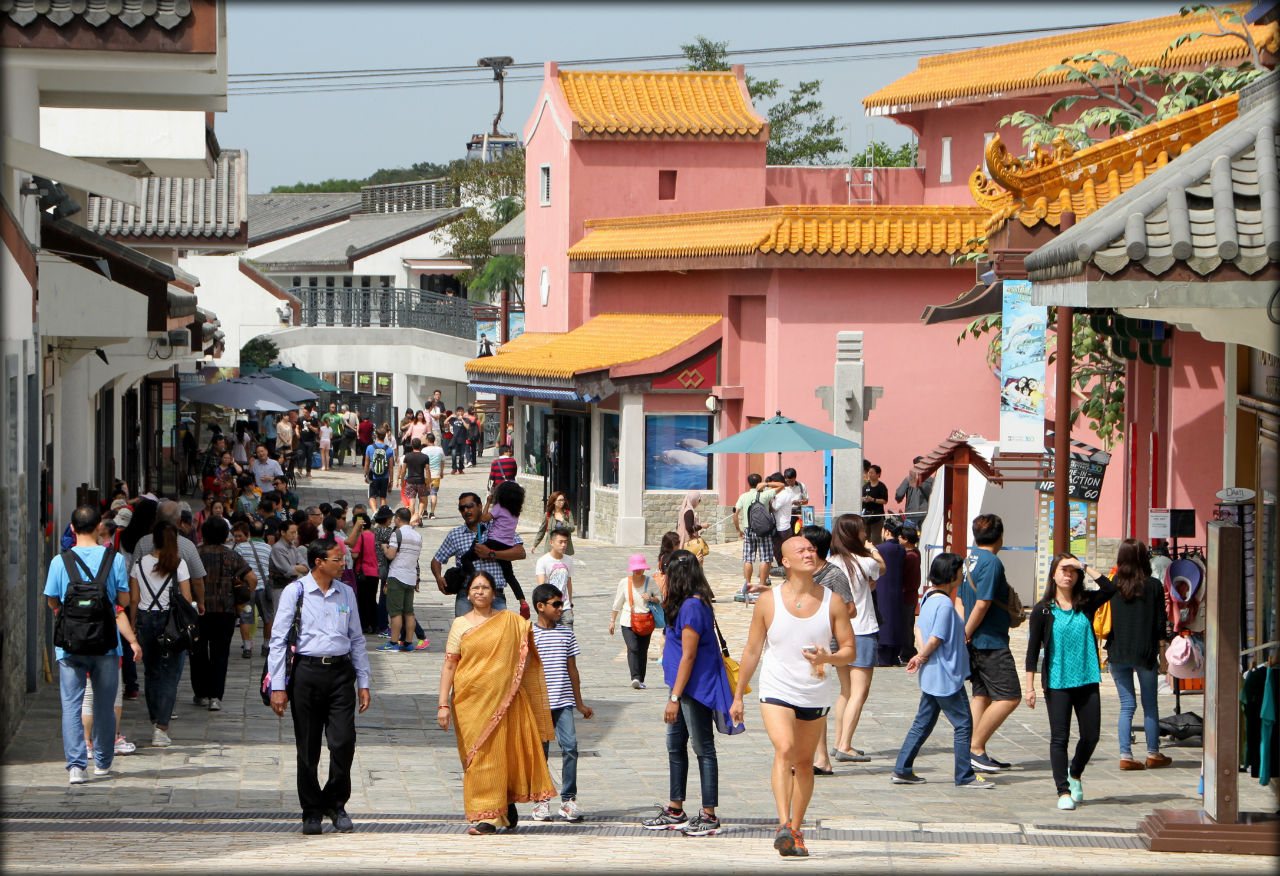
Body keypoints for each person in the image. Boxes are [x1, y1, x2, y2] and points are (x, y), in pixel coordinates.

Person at [731, 536, 856, 857]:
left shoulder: (833, 602)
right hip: (776, 689)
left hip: (814, 693)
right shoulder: (768, 601)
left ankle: (796, 831)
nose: (809, 553)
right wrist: (738, 696)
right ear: (785, 562)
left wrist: (826, 658)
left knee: (804, 762)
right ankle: (783, 823)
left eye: (811, 549)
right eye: (800, 550)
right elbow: (752, 649)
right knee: (784, 748)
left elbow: (848, 651)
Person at [437, 571, 556, 835]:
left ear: (494, 593)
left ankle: (491, 816)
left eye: (485, 587)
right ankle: (497, 807)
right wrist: (442, 703)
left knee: (501, 755)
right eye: (475, 587)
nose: (480, 591)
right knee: (477, 757)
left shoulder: (512, 623)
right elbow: (449, 664)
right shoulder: (460, 625)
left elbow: (526, 652)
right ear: (468, 594)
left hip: (505, 701)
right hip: (469, 704)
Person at [268, 538, 372, 835]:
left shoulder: (347, 593)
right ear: (319, 562)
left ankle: (336, 802)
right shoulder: (295, 592)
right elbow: (278, 640)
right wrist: (278, 686)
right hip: (306, 674)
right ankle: (311, 810)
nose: (344, 564)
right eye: (338, 559)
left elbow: (356, 639)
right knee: (308, 745)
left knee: (343, 741)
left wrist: (363, 681)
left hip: (341, 674)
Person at [639, 549, 736, 837]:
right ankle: (675, 809)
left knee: (703, 748)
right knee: (675, 746)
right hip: (683, 687)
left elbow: (689, 656)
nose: (664, 578)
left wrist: (674, 697)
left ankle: (709, 814)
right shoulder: (685, 605)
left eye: (667, 572)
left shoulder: (693, 607)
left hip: (694, 689)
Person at [45, 505, 141, 784]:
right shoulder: (113, 559)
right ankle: (102, 762)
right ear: (100, 526)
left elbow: (52, 600)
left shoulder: (59, 561)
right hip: (106, 645)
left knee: (72, 706)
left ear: (72, 529)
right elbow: (122, 603)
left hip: (70, 646)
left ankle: (76, 766)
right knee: (104, 704)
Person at [891, 553, 994, 789]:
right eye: (959, 570)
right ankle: (964, 775)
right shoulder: (945, 604)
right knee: (964, 724)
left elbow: (919, 628)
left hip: (932, 674)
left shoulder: (928, 597)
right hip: (946, 675)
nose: (962, 574)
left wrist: (920, 654)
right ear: (951, 574)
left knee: (923, 722)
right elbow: (936, 638)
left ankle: (902, 768)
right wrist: (923, 655)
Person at [1024, 554, 1117, 810]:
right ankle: (1062, 791)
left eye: (1073, 571)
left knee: (1091, 735)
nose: (1068, 575)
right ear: (1053, 574)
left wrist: (1084, 566)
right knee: (1059, 737)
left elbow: (1111, 588)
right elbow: (1032, 651)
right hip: (1057, 682)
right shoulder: (1043, 610)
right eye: (1063, 570)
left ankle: (1074, 773)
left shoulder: (1085, 603)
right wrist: (1029, 687)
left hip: (1087, 679)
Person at [959, 513, 1021, 773]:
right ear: (1000, 536)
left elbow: (962, 599)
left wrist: (964, 632)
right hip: (990, 640)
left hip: (975, 640)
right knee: (1010, 696)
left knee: (982, 695)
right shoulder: (993, 562)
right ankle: (975, 747)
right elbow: (983, 603)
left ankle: (971, 749)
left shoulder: (968, 559)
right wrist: (968, 632)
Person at [1104, 539, 1172, 771]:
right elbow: (1160, 623)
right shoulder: (1153, 586)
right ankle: (1153, 753)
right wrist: (1163, 652)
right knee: (1150, 705)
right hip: (1145, 651)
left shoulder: (1113, 584)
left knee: (1127, 705)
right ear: (1144, 558)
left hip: (1118, 650)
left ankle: (1125, 755)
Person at [530, 583, 593, 823]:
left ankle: (568, 800)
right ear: (540, 606)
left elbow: (572, 670)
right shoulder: (529, 634)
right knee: (540, 753)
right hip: (539, 704)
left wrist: (579, 703)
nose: (560, 608)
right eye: (556, 604)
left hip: (564, 701)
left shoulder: (566, 633)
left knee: (571, 747)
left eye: (561, 604)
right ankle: (541, 800)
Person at [130, 521, 195, 747]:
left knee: (151, 672)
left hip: (146, 620)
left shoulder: (139, 564)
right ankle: (161, 728)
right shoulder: (179, 564)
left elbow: (134, 599)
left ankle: (154, 717)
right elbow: (186, 598)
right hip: (171, 623)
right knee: (170, 675)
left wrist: (132, 626)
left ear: (153, 540)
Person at [799, 524, 857, 776]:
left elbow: (851, 609)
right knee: (809, 700)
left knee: (817, 700)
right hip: (802, 644)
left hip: (825, 648)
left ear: (815, 549)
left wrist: (828, 620)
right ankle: (818, 757)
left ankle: (821, 758)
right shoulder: (801, 572)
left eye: (803, 545)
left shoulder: (834, 575)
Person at [193, 517, 255, 711]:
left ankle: (201, 693)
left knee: (198, 653)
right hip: (225, 611)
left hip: (198, 610)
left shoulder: (196, 554)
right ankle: (215, 697)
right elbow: (252, 578)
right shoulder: (231, 555)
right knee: (220, 654)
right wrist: (242, 601)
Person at [432, 492, 525, 617]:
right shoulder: (455, 534)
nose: (466, 510)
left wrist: (491, 554)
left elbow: (520, 552)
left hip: (494, 595)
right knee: (465, 634)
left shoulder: (498, 527)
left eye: (470, 506)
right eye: (462, 508)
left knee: (497, 635)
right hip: (466, 596)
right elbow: (437, 560)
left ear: (480, 506)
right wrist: (439, 578)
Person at [609, 553, 663, 689]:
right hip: (628, 620)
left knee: (642, 650)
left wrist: (651, 598)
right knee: (633, 648)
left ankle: (640, 679)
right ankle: (635, 677)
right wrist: (612, 620)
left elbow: (660, 598)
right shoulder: (624, 583)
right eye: (636, 568)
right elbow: (618, 603)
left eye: (641, 568)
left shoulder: (650, 582)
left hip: (645, 620)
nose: (638, 571)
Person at [378, 507, 427, 653]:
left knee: (395, 612)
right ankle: (408, 643)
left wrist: (384, 547)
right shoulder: (417, 536)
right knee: (409, 612)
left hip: (397, 575)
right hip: (410, 577)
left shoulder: (397, 534)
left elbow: (391, 555)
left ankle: (393, 643)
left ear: (398, 518)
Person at [480, 480, 527, 615]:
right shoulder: (515, 512)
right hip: (507, 545)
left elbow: (484, 518)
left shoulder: (499, 508)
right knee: (510, 575)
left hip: (493, 542)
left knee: (472, 553)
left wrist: (488, 501)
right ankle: (522, 601)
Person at [233, 519, 274, 657]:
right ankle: (266, 645)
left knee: (245, 618)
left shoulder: (240, 548)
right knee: (268, 618)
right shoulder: (269, 548)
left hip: (246, 589)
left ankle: (247, 647)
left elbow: (236, 568)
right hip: (264, 588)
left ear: (249, 533)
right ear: (263, 533)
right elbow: (272, 568)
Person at [733, 473, 776, 600]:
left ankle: (748, 584)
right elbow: (781, 486)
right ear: (760, 482)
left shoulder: (744, 496)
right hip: (763, 530)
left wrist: (738, 530)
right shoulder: (765, 495)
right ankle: (762, 585)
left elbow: (735, 514)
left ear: (748, 483)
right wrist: (767, 485)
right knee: (765, 558)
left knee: (748, 558)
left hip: (748, 529)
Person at [874, 518, 906, 667]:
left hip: (881, 589)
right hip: (897, 590)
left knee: (883, 620)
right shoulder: (901, 549)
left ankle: (883, 655)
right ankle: (894, 654)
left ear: (886, 531)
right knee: (894, 621)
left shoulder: (880, 549)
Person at [347, 511, 381, 635]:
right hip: (375, 573)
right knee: (372, 599)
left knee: (362, 600)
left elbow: (355, 554)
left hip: (362, 573)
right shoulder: (375, 536)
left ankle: (364, 625)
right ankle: (375, 624)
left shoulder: (361, 537)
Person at [535, 530, 575, 627]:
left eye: (565, 542)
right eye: (560, 542)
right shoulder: (542, 561)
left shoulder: (569, 560)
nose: (563, 545)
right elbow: (542, 586)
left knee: (567, 638)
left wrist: (570, 604)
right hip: (550, 608)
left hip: (565, 608)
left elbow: (568, 582)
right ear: (551, 543)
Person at [899, 524, 922, 663]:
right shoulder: (916, 553)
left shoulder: (910, 557)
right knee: (908, 624)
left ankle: (907, 651)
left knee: (906, 625)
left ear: (906, 540)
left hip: (907, 595)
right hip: (911, 595)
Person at [398, 437, 430, 526]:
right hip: (420, 481)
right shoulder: (425, 457)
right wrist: (429, 482)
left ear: (412, 445)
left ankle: (412, 518)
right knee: (422, 500)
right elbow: (427, 470)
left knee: (411, 501)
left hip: (410, 481)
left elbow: (403, 469)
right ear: (420, 446)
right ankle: (419, 517)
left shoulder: (407, 456)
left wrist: (401, 479)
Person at [532, 491, 575, 556]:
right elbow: (541, 531)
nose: (562, 502)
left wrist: (562, 521)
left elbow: (572, 528)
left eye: (563, 500)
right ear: (554, 501)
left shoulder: (568, 514)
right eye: (560, 500)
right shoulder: (548, 515)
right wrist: (535, 545)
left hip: (565, 550)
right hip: (551, 549)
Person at [894, 457, 934, 524]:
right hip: (925, 513)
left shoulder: (910, 478)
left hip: (911, 514)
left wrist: (898, 499)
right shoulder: (930, 479)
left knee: (910, 533)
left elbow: (899, 494)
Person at [363, 427, 395, 511]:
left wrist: (365, 475)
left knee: (372, 496)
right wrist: (391, 481)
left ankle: (375, 512)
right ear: (385, 436)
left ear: (376, 435)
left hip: (373, 476)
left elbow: (366, 463)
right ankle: (382, 513)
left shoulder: (370, 447)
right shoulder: (389, 449)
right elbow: (391, 467)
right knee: (383, 497)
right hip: (385, 477)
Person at [861, 464, 889, 543]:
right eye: (869, 473)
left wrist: (873, 500)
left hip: (877, 515)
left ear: (878, 474)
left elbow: (885, 501)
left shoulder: (881, 486)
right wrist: (863, 499)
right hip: (866, 515)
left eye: (872, 473)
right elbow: (861, 497)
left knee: (876, 538)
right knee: (865, 537)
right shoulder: (865, 486)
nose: (870, 475)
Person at [422, 432, 445, 521]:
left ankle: (424, 511)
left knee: (425, 494)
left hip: (426, 474)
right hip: (436, 473)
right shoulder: (440, 450)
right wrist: (442, 472)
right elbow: (442, 462)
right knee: (434, 493)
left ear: (427, 440)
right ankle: (432, 512)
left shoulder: (424, 450)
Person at [676, 490, 705, 556]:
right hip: (687, 541)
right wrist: (701, 526)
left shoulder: (684, 509)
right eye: (698, 500)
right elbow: (689, 528)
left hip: (682, 538)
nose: (698, 502)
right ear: (694, 500)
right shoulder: (689, 511)